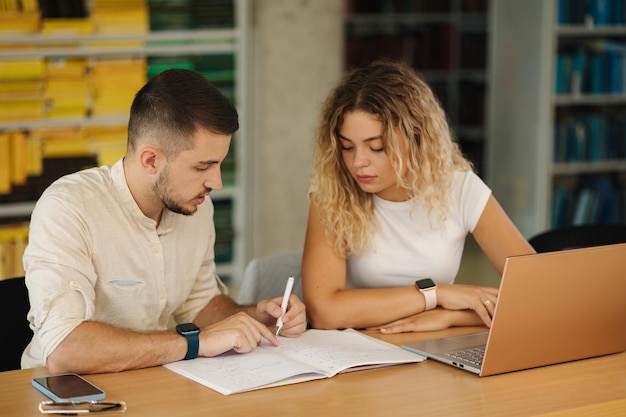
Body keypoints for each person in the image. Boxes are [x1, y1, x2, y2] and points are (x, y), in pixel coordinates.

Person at [22, 69, 307, 374]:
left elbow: (199, 304)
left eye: (219, 164)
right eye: (203, 166)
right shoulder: (68, 208)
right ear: (151, 160)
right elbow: (65, 351)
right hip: (60, 394)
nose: (217, 182)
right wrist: (194, 343)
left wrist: (254, 318)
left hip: (148, 382)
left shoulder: (194, 205)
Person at [302, 59, 535, 334]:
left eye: (376, 147)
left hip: (436, 342)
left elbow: (535, 292)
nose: (357, 163)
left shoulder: (459, 189)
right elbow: (324, 312)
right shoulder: (334, 193)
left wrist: (450, 317)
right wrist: (434, 295)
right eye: (347, 147)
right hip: (370, 346)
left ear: (416, 138)